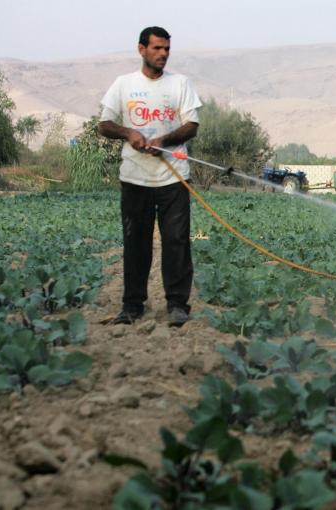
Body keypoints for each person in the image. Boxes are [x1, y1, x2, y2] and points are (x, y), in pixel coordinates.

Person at [98, 26, 203, 327]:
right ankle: (132, 306)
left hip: (174, 178)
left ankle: (177, 305)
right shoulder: (123, 84)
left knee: (176, 242)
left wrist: (164, 141)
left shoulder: (180, 83)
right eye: (157, 48)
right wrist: (128, 132)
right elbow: (104, 125)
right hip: (135, 178)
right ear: (141, 49)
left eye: (167, 49)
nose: (163, 54)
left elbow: (191, 125)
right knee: (136, 242)